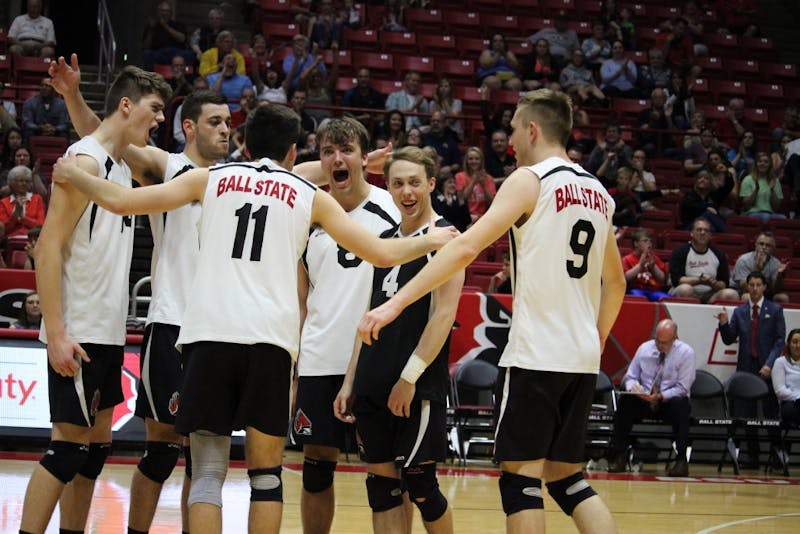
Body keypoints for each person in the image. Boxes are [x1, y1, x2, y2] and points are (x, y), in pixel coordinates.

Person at [51, 103, 457, 534]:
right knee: (266, 476)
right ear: (294, 151)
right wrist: (429, 240)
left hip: (210, 336)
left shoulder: (211, 178)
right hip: (271, 343)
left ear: (244, 142)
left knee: (206, 474)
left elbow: (124, 201)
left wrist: (76, 175)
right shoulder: (308, 193)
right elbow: (380, 252)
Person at [357, 89, 626, 534]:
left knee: (521, 482)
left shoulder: (530, 179)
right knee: (569, 479)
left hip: (538, 353)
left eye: (515, 129)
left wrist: (396, 302)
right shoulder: (598, 191)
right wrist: (595, 339)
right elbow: (615, 282)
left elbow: (464, 246)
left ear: (533, 129)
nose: (511, 139)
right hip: (580, 357)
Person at [51, 53, 234, 534]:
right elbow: (106, 133)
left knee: (205, 454)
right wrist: (72, 96)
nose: (225, 130)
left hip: (217, 330)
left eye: (229, 122)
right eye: (215, 122)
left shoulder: (235, 180)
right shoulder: (165, 165)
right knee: (161, 450)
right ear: (189, 127)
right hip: (172, 322)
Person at [17, 64, 172, 534]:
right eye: (155, 108)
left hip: (105, 330)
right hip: (78, 330)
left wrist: (72, 97)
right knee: (66, 451)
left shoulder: (119, 167)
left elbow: (101, 131)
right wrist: (57, 333)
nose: (160, 118)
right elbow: (46, 248)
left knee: (94, 452)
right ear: (127, 105)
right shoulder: (82, 163)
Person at [334, 146, 461, 534]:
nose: (407, 192)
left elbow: (443, 316)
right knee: (382, 489)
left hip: (416, 386)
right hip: (372, 382)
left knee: (422, 485)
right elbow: (368, 318)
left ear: (431, 184)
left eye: (415, 183)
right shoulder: (386, 243)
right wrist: (350, 380)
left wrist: (409, 378)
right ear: (387, 186)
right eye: (398, 183)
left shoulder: (447, 237)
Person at [292, 117, 401, 534]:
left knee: (385, 476)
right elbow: (302, 299)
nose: (337, 160)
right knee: (316, 470)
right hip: (320, 358)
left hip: (376, 361)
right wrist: (296, 366)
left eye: (347, 151)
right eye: (328, 152)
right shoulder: (308, 213)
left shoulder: (393, 206)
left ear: (364, 158)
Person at [607, 319, 695, 477]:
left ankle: (681, 460)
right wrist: (634, 388)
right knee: (626, 401)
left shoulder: (686, 353)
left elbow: (683, 387)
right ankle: (619, 455)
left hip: (667, 401)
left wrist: (660, 395)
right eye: (657, 341)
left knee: (681, 404)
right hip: (645, 399)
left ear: (675, 338)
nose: (660, 346)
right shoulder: (645, 348)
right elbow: (630, 376)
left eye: (664, 342)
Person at [717, 271, 786, 467]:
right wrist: (723, 323)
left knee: (770, 414)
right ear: (747, 287)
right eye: (752, 285)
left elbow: (779, 341)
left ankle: (778, 456)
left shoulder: (775, 309)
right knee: (748, 414)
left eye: (758, 285)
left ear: (764, 287)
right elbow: (729, 338)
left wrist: (770, 364)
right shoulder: (739, 312)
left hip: (767, 368)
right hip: (747, 367)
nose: (755, 288)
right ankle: (752, 456)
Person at [668, 217, 739, 303]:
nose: (702, 233)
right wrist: (699, 280)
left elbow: (724, 284)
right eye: (699, 230)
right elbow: (677, 280)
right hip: (686, 291)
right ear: (692, 233)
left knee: (731, 294)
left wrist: (713, 283)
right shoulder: (680, 251)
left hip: (710, 294)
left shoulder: (719, 254)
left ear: (710, 235)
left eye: (706, 230)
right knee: (685, 289)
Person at [731, 231, 789, 303]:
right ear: (755, 245)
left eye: (768, 245)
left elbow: (776, 290)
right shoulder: (744, 260)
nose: (764, 247)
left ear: (773, 249)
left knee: (783, 298)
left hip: (764, 292)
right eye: (761, 244)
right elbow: (744, 286)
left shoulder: (776, 263)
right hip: (741, 292)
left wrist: (780, 275)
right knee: (748, 297)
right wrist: (758, 270)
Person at [141, 1, 194, 72]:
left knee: (189, 54)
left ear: (171, 13)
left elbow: (182, 39)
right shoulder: (152, 26)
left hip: (176, 53)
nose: (164, 13)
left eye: (167, 11)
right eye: (162, 11)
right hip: (159, 53)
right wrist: (151, 30)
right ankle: (151, 78)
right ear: (158, 12)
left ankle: (185, 80)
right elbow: (145, 46)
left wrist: (165, 26)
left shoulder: (178, 24)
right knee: (147, 54)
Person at [621, 229, 669, 301]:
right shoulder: (627, 259)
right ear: (636, 243)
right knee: (637, 297)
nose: (649, 243)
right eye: (645, 241)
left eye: (650, 241)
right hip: (635, 290)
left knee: (666, 298)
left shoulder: (654, 258)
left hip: (654, 290)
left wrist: (653, 268)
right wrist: (640, 266)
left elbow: (662, 280)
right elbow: (625, 278)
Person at [0, 166, 46, 240]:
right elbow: (3, 229)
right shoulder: (3, 202)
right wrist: (15, 215)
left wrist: (24, 218)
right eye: (20, 181)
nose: (24, 183)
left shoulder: (37, 199)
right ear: (12, 183)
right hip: (11, 240)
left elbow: (41, 226)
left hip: (33, 240)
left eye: (27, 181)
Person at [739, 152, 786, 223]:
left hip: (770, 213)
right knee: (765, 216)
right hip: (752, 213)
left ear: (769, 165)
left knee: (783, 218)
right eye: (759, 161)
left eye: (766, 162)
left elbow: (776, 207)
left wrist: (772, 190)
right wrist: (756, 190)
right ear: (756, 164)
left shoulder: (775, 180)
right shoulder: (748, 179)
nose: (762, 164)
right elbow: (746, 206)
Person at [454, 146, 495, 223]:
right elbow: (462, 198)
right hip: (465, 218)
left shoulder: (488, 178)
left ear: (481, 161)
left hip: (483, 218)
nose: (474, 161)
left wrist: (484, 186)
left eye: (477, 159)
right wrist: (474, 181)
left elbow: (492, 202)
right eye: (471, 159)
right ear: (466, 161)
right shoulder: (459, 176)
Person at [772, 329, 800, 427]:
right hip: (790, 404)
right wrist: (798, 398)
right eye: (795, 342)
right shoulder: (780, 362)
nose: (798, 346)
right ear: (788, 344)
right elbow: (780, 391)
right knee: (791, 409)